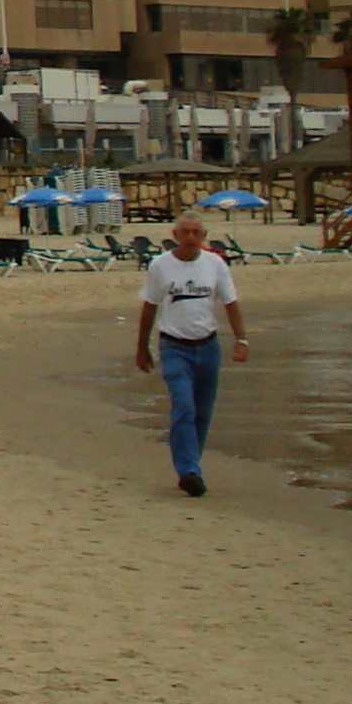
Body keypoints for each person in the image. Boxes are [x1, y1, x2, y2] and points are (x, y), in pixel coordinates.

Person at [134, 210, 249, 495]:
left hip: (208, 347)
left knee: (202, 412)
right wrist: (141, 348)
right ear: (175, 236)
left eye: (196, 232)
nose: (190, 237)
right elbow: (149, 307)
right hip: (174, 347)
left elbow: (230, 303)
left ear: (203, 237)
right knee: (183, 405)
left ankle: (191, 466)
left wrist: (241, 340)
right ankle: (187, 470)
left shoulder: (215, 264)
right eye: (184, 232)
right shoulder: (160, 266)